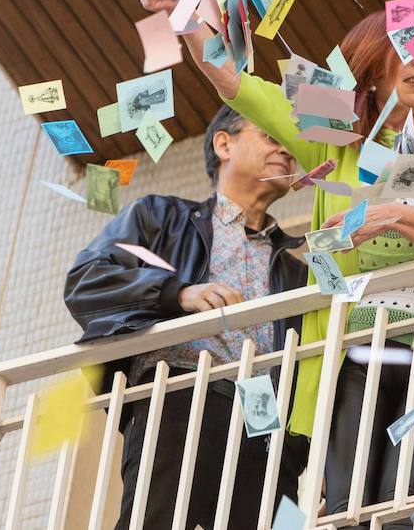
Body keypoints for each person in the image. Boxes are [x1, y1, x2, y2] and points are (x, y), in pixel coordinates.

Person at [133, 0, 414, 527]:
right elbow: (237, 84)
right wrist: (180, 8)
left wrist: (387, 216)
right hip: (352, 354)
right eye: (408, 51)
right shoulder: (335, 138)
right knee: (347, 503)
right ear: (372, 73)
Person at [64, 106, 310, 530]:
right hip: (180, 385)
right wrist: (177, 292)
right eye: (271, 137)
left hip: (264, 411)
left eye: (292, 144)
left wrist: (304, 452)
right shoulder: (160, 217)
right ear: (224, 144)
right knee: (156, 520)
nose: (287, 152)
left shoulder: (296, 271)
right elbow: (86, 280)